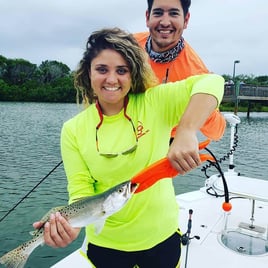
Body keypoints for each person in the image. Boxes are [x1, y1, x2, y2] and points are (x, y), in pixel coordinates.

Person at [33, 27, 224, 267]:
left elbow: (213, 81)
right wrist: (70, 227)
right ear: (88, 74)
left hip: (161, 238)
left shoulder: (155, 103)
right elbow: (80, 188)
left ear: (132, 74)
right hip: (106, 245)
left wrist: (186, 130)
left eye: (121, 70)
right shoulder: (73, 129)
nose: (112, 79)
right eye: (102, 69)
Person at [134, 0, 226, 141]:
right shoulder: (127, 46)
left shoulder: (196, 72)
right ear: (147, 17)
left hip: (166, 141)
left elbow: (217, 131)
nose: (165, 22)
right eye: (158, 13)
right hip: (124, 130)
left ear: (186, 20)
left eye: (173, 13)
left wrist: (205, 98)